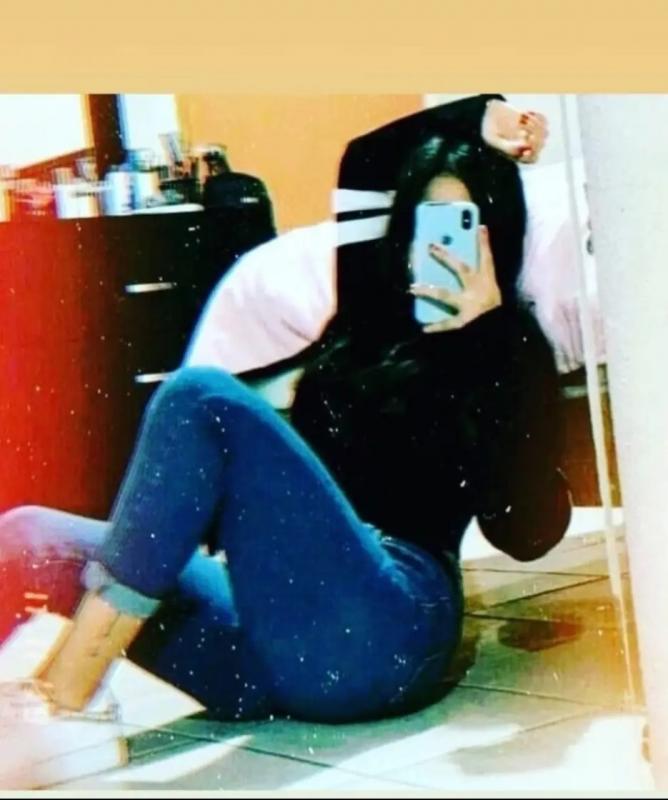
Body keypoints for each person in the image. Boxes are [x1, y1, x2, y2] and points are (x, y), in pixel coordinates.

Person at [0, 94, 570, 786]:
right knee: (25, 536)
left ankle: (66, 698)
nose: (439, 246)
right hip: (276, 639)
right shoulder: (365, 311)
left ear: (496, 234)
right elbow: (366, 156)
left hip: (384, 634)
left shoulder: (512, 349)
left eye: (463, 226)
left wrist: (488, 345)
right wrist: (481, 112)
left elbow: (529, 534)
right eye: (425, 220)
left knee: (199, 396)